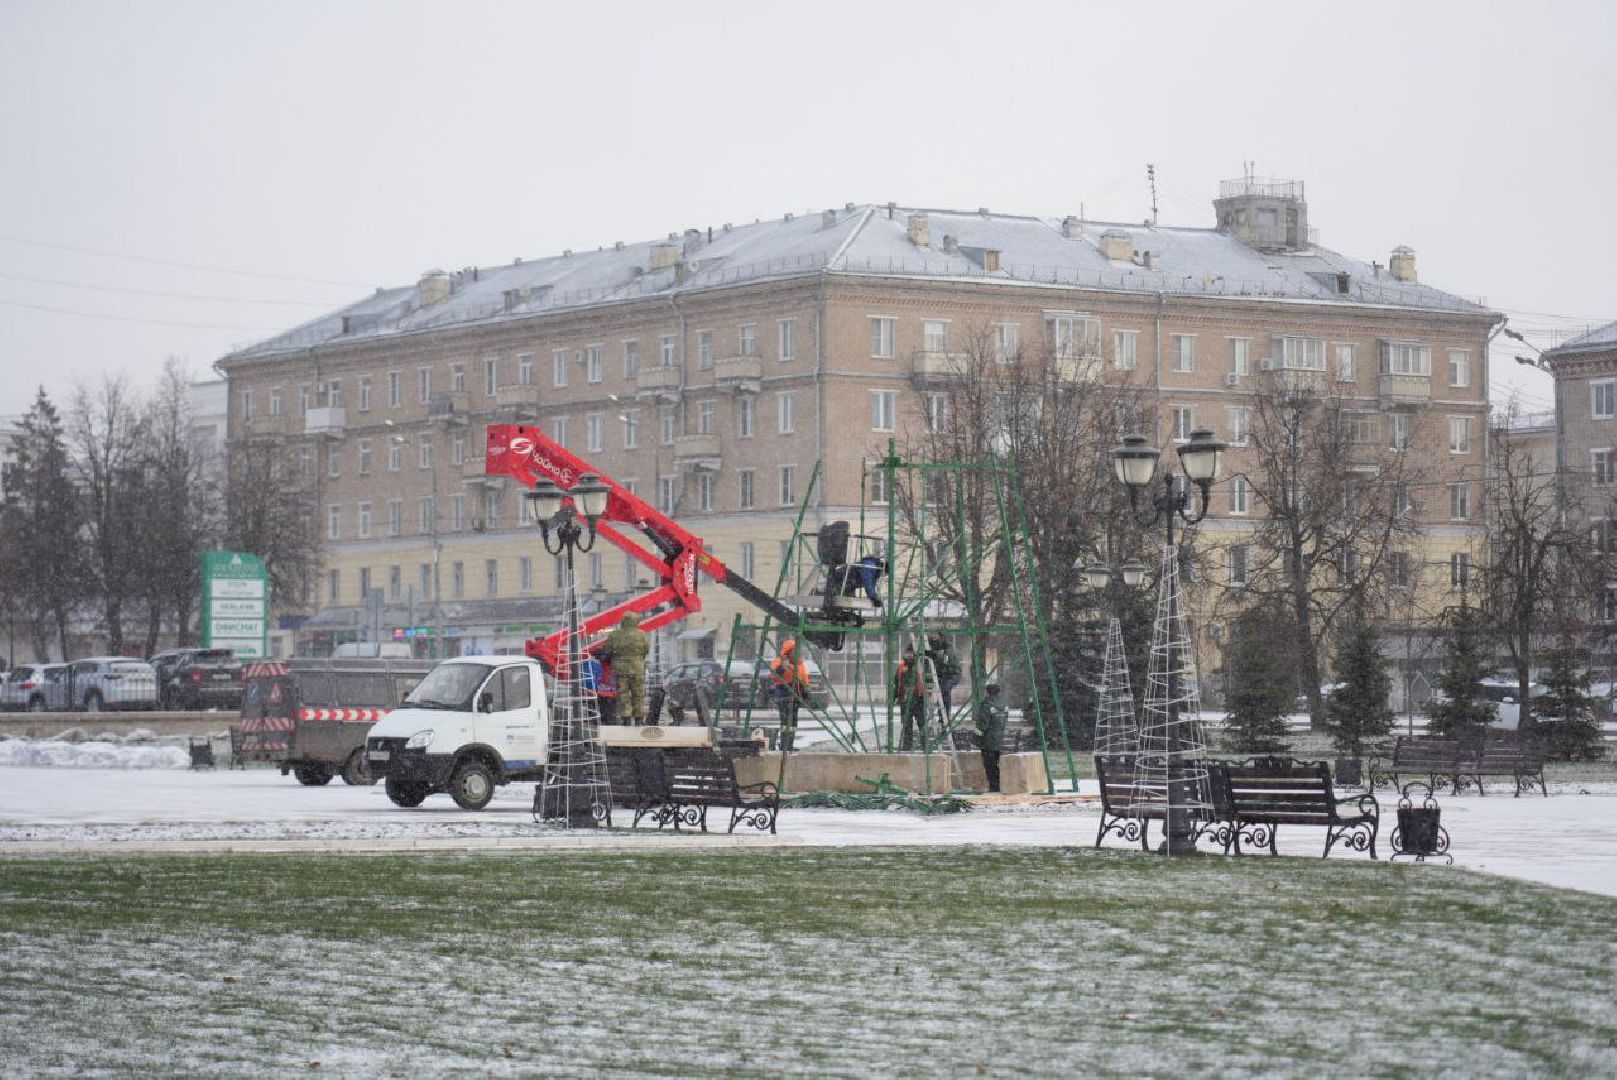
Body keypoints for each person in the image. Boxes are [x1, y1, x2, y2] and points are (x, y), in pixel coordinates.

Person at [604, 611, 650, 724]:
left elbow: (607, 651)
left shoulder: (614, 634)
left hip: (621, 669)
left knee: (623, 694)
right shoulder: (641, 634)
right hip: (637, 668)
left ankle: (626, 718)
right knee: (638, 694)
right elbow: (646, 650)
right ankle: (639, 719)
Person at [770, 639, 811, 751]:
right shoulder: (780, 661)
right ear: (789, 652)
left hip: (795, 697)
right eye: (795, 651)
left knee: (792, 723)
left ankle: (789, 745)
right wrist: (783, 667)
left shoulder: (800, 665)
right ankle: (784, 745)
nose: (798, 653)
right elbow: (774, 676)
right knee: (785, 722)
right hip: (784, 695)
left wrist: (806, 693)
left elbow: (805, 681)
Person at [893, 645, 928, 751]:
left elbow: (925, 681)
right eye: (907, 653)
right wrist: (894, 696)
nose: (908, 655)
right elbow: (896, 682)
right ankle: (907, 746)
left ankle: (925, 746)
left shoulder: (921, 665)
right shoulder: (901, 666)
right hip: (904, 699)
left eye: (911, 653)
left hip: (918, 699)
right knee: (907, 725)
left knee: (921, 723)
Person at [975, 683, 1008, 793]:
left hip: (988, 740)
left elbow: (982, 725)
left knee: (990, 766)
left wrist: (977, 738)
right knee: (995, 763)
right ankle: (998, 785)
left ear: (988, 692)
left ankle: (995, 787)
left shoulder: (987, 704)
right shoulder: (1003, 704)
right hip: (999, 739)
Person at [926, 632, 961, 715]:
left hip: (951, 674)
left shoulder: (947, 645)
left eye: (936, 634)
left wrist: (933, 654)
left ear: (941, 636)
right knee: (929, 693)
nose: (933, 636)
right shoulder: (929, 643)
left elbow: (947, 656)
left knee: (945, 692)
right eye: (933, 634)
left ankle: (944, 715)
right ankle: (938, 714)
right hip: (940, 674)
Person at [580, 653, 618, 725]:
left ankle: (599, 720)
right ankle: (605, 721)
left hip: (602, 693)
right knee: (608, 710)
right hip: (605, 693)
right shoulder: (603, 666)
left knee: (600, 706)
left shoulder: (595, 665)